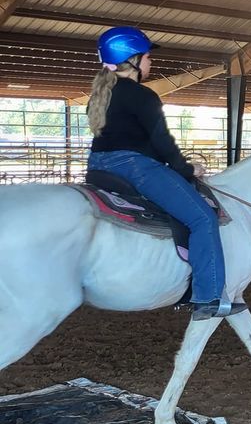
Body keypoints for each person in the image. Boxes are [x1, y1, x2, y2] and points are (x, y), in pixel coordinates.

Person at [85, 26, 241, 320]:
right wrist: (186, 169)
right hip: (135, 168)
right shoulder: (143, 96)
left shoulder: (99, 96)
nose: (150, 62)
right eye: (146, 56)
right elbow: (162, 145)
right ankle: (208, 297)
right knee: (202, 218)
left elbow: (126, 139)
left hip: (97, 166)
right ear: (132, 59)